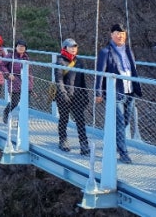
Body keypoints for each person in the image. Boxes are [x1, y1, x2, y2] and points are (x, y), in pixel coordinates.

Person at [95, 23, 142, 164]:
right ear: (111, 35)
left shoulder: (128, 50)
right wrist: (98, 92)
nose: (120, 36)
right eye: (117, 33)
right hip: (115, 92)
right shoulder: (105, 52)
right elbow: (100, 73)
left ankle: (113, 142)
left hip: (130, 91)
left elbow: (132, 69)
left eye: (122, 33)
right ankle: (123, 153)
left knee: (126, 121)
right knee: (120, 122)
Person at [55, 38, 90, 156]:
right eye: (71, 47)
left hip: (78, 96)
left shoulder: (79, 62)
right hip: (64, 96)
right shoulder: (60, 61)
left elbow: (82, 80)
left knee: (80, 120)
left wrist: (85, 94)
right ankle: (63, 140)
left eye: (75, 47)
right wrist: (63, 93)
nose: (74, 49)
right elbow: (58, 80)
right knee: (64, 118)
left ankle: (84, 144)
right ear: (65, 48)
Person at [4, 39, 33, 124]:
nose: (21, 48)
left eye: (23, 46)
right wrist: (8, 74)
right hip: (14, 80)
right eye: (19, 46)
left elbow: (29, 73)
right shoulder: (10, 56)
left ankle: (21, 122)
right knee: (15, 102)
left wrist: (30, 85)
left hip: (25, 82)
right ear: (16, 47)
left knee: (26, 103)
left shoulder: (26, 57)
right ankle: (6, 112)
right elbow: (2, 65)